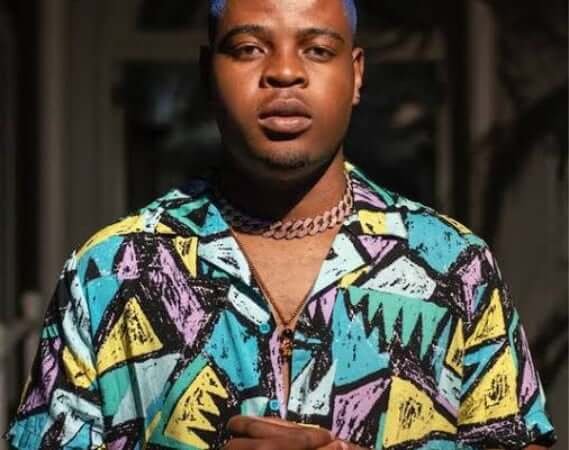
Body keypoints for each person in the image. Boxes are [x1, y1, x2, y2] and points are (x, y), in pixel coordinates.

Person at [4, 0, 557, 449]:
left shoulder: (452, 266)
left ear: (356, 74)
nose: (285, 72)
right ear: (208, 72)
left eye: (317, 49)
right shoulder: (111, 273)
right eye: (248, 48)